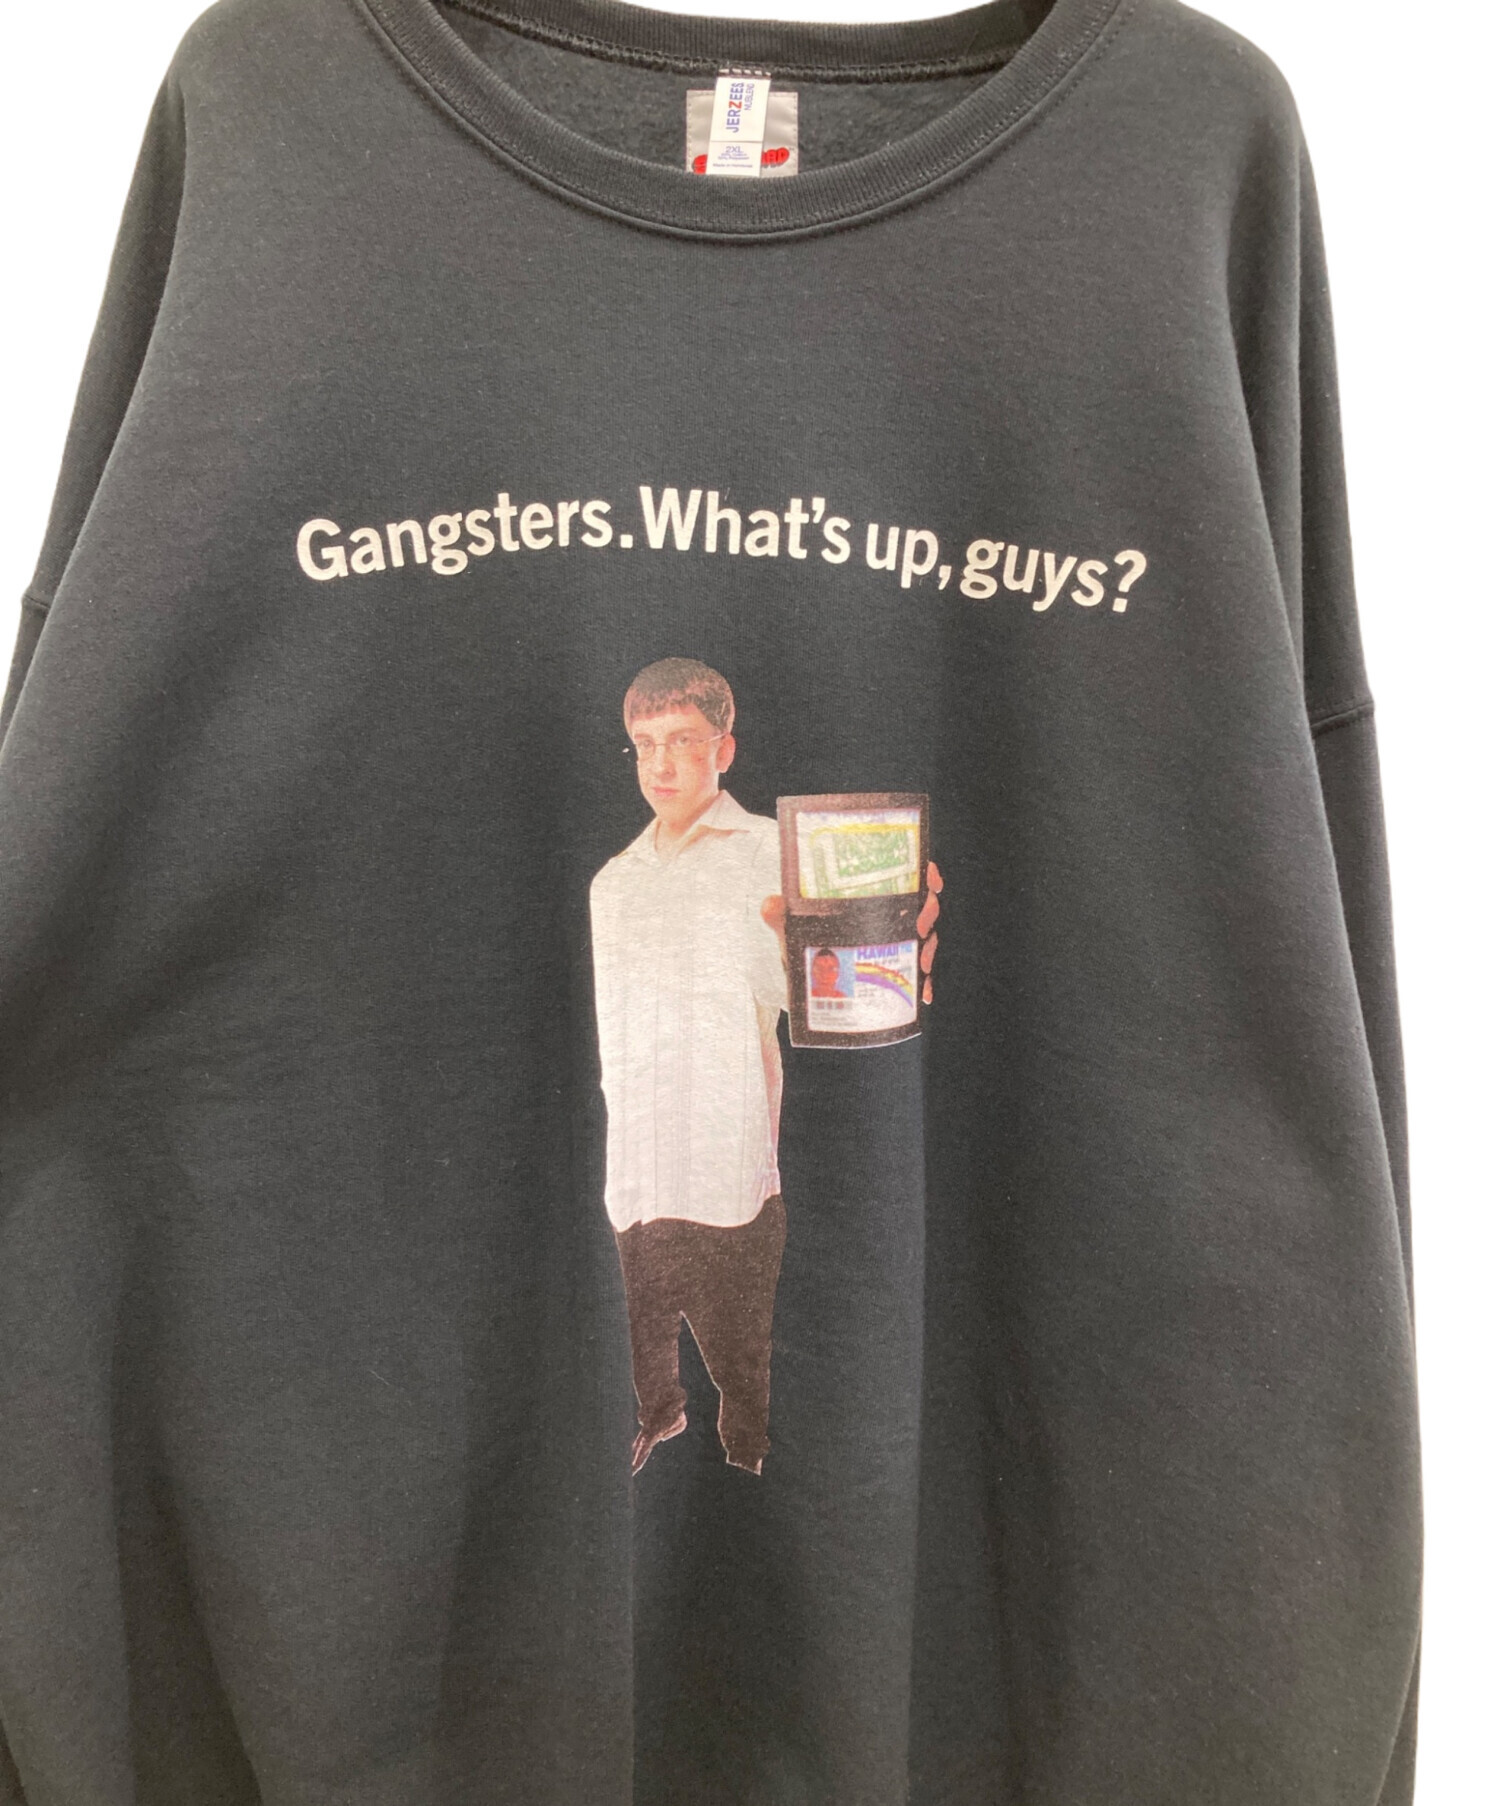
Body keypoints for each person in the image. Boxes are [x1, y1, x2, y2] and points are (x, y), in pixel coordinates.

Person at [589, 658, 941, 1476]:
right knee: (642, 1316)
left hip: (728, 1156)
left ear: (725, 749)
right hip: (635, 1159)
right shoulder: (612, 882)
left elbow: (831, 990)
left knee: (739, 1340)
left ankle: (745, 1447)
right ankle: (660, 1414)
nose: (662, 763)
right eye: (645, 744)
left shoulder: (773, 856)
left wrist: (887, 945)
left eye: (684, 740)